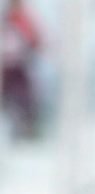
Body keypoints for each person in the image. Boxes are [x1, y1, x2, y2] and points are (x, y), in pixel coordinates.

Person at [1, 0, 41, 139]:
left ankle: (25, 128)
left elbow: (36, 41)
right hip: (8, 69)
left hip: (19, 68)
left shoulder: (25, 21)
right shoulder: (7, 20)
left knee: (24, 99)